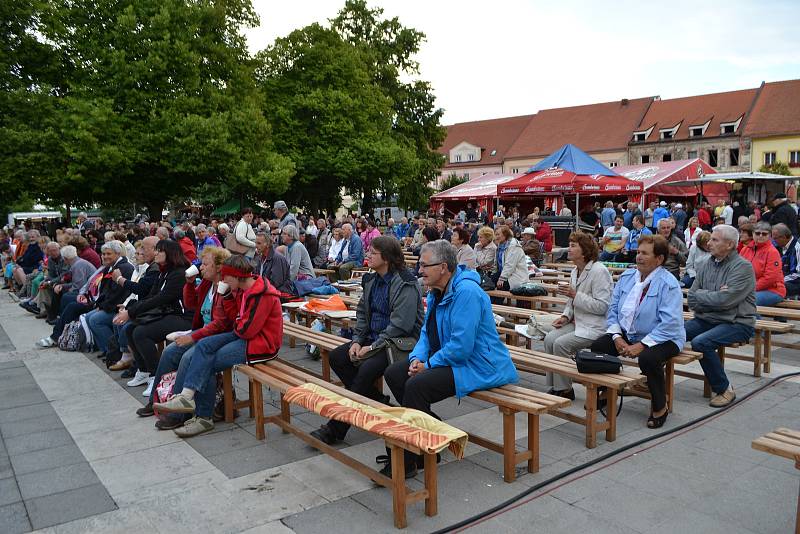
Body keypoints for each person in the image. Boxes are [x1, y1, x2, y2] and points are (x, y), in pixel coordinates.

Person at [381, 240, 519, 477]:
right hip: (456, 359)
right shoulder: (437, 290)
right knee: (394, 372)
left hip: (480, 365)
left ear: (443, 267)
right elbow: (427, 332)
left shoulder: (467, 293)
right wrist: (417, 358)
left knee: (415, 387)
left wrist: (429, 365)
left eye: (424, 265)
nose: (419, 270)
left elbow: (461, 347)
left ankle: (410, 459)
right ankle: (434, 433)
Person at [309, 237, 423, 445]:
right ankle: (375, 399)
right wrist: (357, 340)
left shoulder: (406, 282)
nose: (367, 255)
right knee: (337, 357)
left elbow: (401, 325)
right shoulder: (372, 280)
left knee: (365, 370)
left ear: (386, 258)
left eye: (372, 252)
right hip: (374, 338)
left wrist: (371, 347)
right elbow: (362, 313)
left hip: (397, 343)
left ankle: (335, 428)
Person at [154, 255, 283, 437]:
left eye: (226, 277)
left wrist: (237, 319)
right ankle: (186, 397)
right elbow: (235, 320)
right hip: (243, 336)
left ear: (236, 276)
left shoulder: (262, 295)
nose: (224, 280)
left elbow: (245, 330)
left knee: (207, 361)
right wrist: (229, 297)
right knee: (204, 347)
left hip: (261, 345)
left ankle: (203, 416)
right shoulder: (240, 289)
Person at [592, 235, 685, 428]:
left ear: (659, 259)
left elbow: (670, 323)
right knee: (599, 346)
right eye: (638, 252)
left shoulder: (669, 283)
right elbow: (613, 311)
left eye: (644, 253)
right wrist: (617, 337)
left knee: (648, 358)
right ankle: (606, 390)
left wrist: (642, 345)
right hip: (630, 332)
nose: (638, 257)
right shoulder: (627, 277)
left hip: (665, 337)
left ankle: (660, 405)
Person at [137, 246, 233, 420]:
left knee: (187, 358)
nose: (201, 267)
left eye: (205, 264)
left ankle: (177, 414)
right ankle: (155, 400)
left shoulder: (226, 287)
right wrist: (189, 284)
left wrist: (192, 336)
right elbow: (190, 304)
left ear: (219, 267)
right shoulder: (207, 283)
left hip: (216, 337)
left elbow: (221, 324)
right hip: (202, 333)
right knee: (169, 352)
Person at [686, 225, 756, 408]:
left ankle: (724, 389)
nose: (708, 243)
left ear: (730, 245)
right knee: (671, 332)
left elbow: (726, 301)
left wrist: (705, 295)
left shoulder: (743, 267)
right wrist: (713, 295)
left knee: (701, 342)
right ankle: (653, 378)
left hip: (738, 323)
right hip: (708, 318)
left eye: (714, 240)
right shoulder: (707, 263)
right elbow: (691, 297)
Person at [117, 239, 193, 397]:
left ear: (170, 254)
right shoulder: (164, 271)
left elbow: (161, 299)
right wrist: (130, 310)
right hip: (168, 313)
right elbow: (152, 295)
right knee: (130, 329)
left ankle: (155, 376)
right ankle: (144, 370)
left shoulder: (179, 273)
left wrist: (130, 312)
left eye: (160, 250)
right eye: (156, 250)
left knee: (141, 333)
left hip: (183, 317)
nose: (155, 253)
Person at [544, 232, 612, 399]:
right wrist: (565, 316)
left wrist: (575, 295)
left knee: (560, 344)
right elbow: (570, 301)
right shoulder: (576, 270)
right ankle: (559, 386)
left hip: (594, 325)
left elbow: (603, 307)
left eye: (573, 245)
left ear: (585, 250)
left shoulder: (599, 271)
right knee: (549, 339)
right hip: (578, 321)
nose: (569, 248)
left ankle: (565, 390)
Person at [84, 241, 136, 358]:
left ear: (117, 254)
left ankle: (113, 351)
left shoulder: (124, 268)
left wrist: (103, 307)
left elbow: (119, 294)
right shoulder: (110, 267)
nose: (105, 256)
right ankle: (106, 349)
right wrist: (99, 305)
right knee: (88, 317)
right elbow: (105, 292)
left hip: (119, 307)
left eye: (109, 254)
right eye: (103, 254)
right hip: (110, 304)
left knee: (95, 320)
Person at [739, 221, 785, 307]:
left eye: (764, 234)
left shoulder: (772, 252)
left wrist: (749, 288)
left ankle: (756, 320)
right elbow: (737, 270)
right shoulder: (745, 250)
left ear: (769, 236)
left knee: (747, 301)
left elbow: (770, 278)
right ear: (752, 234)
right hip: (749, 288)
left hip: (773, 290)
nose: (760, 236)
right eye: (757, 233)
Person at [494, 226, 528, 291]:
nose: (496, 237)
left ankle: (495, 301)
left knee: (501, 286)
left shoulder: (514, 246)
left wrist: (502, 278)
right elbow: (497, 264)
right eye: (495, 235)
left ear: (505, 234)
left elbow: (510, 265)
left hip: (516, 276)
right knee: (488, 283)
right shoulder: (500, 245)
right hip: (505, 273)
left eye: (498, 234)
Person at [772, 223, 800, 298]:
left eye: (775, 238)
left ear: (784, 237)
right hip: (784, 280)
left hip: (795, 283)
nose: (773, 241)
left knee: (773, 288)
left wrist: (778, 281)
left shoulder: (797, 248)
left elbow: (797, 274)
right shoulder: (780, 246)